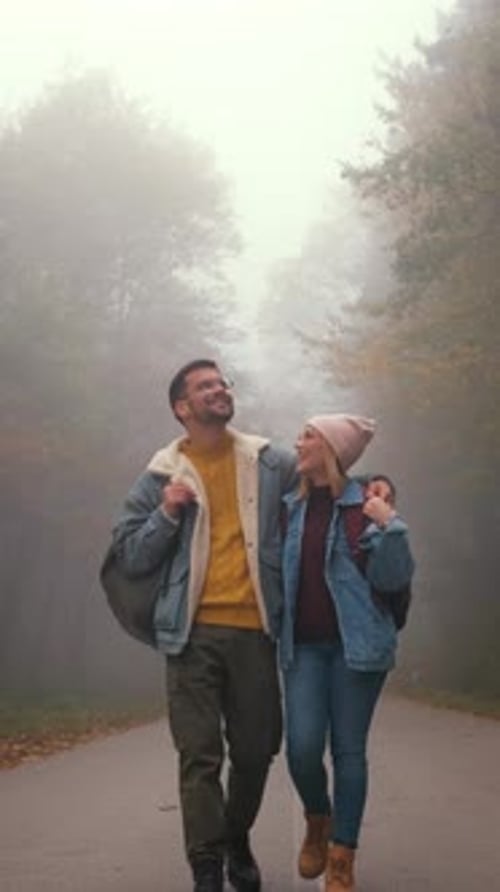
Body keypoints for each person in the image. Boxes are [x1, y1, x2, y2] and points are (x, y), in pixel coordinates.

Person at [109, 359, 296, 892]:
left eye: (221, 383)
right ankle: (208, 868)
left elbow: (319, 484)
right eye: (204, 386)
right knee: (199, 755)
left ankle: (235, 837)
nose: (219, 390)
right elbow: (130, 556)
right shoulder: (161, 475)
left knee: (257, 750)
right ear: (182, 407)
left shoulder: (269, 461)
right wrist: (166, 514)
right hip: (189, 635)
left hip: (257, 632)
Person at [279, 414, 414, 892]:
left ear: (331, 449)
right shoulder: (287, 509)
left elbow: (392, 580)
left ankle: (341, 856)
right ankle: (318, 817)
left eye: (308, 435)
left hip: (359, 649)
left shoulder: (367, 507)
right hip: (304, 649)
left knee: (349, 751)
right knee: (301, 748)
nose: (298, 442)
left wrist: (390, 525)